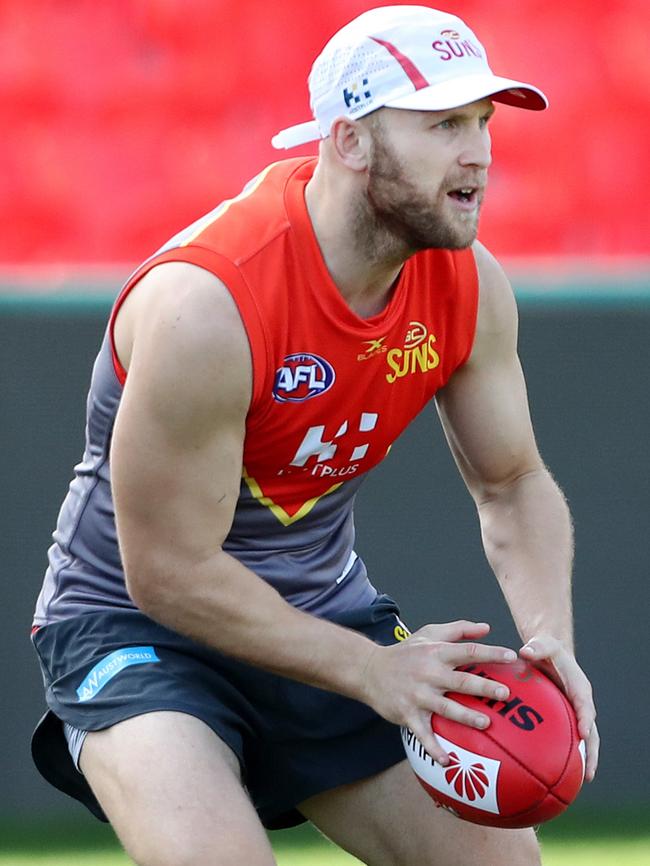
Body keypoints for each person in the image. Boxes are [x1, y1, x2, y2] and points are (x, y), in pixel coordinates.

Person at [31, 6, 598, 865]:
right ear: (348, 141)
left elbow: (511, 483)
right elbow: (168, 573)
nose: (479, 152)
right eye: (444, 123)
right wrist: (371, 671)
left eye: (482, 122)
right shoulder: (210, 305)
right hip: (132, 628)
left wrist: (549, 635)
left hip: (320, 608)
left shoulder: (469, 286)